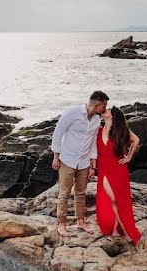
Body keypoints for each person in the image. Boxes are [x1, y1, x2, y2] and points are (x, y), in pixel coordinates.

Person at [51, 90, 109, 236]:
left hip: (83, 162)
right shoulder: (72, 113)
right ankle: (62, 224)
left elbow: (92, 143)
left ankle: (80, 222)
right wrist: (56, 157)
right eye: (104, 106)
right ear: (97, 105)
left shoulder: (96, 120)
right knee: (64, 193)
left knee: (81, 193)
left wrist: (92, 164)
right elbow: (58, 133)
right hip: (67, 159)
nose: (105, 109)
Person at [95, 106, 141, 245]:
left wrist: (128, 157)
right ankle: (121, 229)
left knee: (117, 200)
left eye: (108, 110)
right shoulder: (98, 129)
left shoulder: (120, 130)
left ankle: (118, 228)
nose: (105, 111)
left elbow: (136, 140)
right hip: (103, 169)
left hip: (118, 169)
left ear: (113, 117)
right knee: (113, 199)